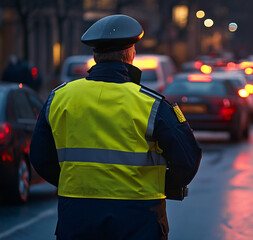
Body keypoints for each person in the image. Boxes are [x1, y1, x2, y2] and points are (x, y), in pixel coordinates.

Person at [30, 14, 202, 240]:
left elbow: (41, 158)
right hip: (138, 217)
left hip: (77, 216)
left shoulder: (59, 98)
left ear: (95, 56)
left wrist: (77, 181)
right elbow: (187, 160)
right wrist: (157, 184)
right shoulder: (152, 105)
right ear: (130, 55)